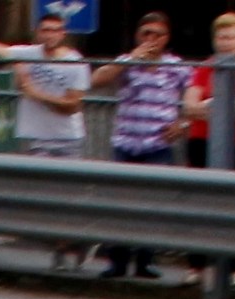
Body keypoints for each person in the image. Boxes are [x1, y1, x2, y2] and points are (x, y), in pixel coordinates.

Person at [91, 12, 186, 279]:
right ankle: (117, 261)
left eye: (157, 34)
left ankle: (145, 260)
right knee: (119, 205)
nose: (151, 39)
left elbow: (194, 97)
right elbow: (98, 79)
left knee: (151, 206)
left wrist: (183, 123)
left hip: (157, 144)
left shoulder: (176, 66)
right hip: (126, 142)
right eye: (146, 33)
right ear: (138, 35)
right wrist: (133, 58)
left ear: (167, 38)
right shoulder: (127, 61)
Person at [0, 13, 91, 271]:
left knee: (67, 197)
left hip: (68, 136)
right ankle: (63, 243)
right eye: (45, 30)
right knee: (44, 195)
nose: (50, 35)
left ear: (63, 33)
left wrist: (36, 94)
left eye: (56, 30)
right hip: (37, 136)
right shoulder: (28, 53)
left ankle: (69, 244)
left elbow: (72, 105)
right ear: (38, 32)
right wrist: (16, 64)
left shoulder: (75, 62)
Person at [181, 11, 235, 170]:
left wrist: (206, 108)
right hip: (201, 139)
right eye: (221, 38)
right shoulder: (204, 67)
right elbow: (189, 107)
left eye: (231, 38)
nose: (226, 43)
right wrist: (224, 110)